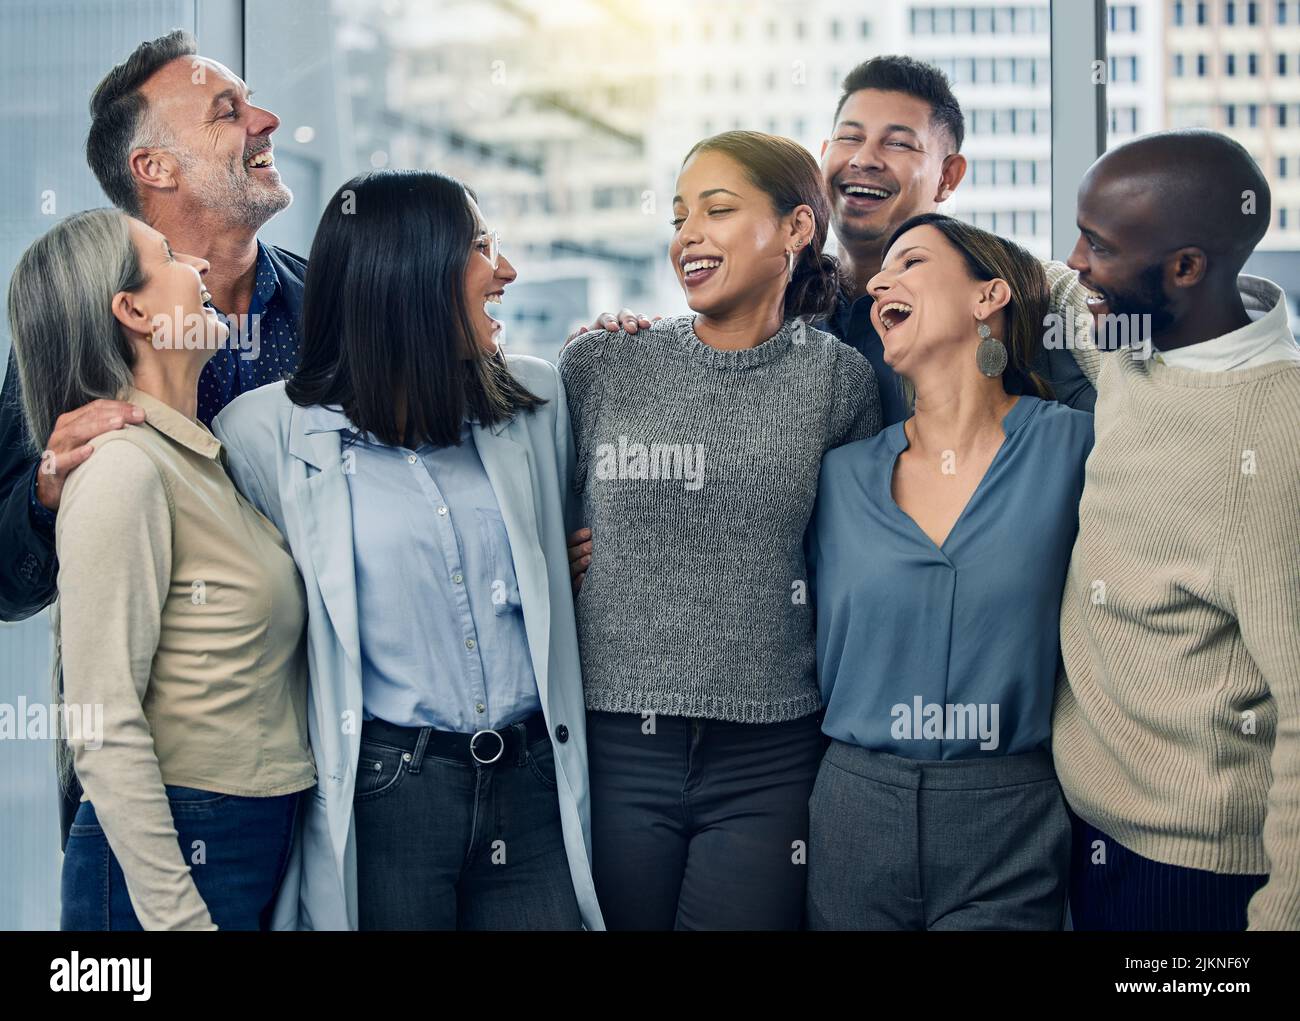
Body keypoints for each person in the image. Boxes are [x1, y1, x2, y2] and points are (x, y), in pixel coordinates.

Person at [212, 169, 603, 931]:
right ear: (409, 272)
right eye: (481, 247)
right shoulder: (260, 435)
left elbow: (568, 555)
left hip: (531, 782)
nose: (507, 270)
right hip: (391, 792)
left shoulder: (535, 402)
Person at [559, 130, 880, 930]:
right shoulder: (603, 364)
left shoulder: (839, 382)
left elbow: (853, 566)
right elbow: (535, 520)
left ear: (797, 228)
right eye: (679, 218)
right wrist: (551, 560)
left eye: (718, 210)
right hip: (614, 742)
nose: (688, 236)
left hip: (771, 753)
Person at [0, 29, 306, 847]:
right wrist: (45, 493)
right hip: (150, 789)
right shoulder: (80, 335)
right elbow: (4, 581)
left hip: (313, 766)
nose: (266, 121)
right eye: (228, 112)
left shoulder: (334, 310)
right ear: (156, 169)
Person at [7, 207, 314, 929]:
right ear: (134, 311)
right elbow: (103, 725)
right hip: (173, 859)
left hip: (242, 840)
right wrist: (178, 919)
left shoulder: (198, 458)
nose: (201, 267)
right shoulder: (122, 469)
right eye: (171, 258)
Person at [805, 213, 1093, 930]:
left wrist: (1057, 284)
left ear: (988, 296)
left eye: (911, 262)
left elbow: (1171, 383)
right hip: (852, 808)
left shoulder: (1075, 448)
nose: (879, 283)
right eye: (880, 273)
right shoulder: (838, 475)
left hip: (1009, 813)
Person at [1048, 130, 1300, 931]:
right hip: (1087, 829)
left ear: (1186, 267)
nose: (1077, 262)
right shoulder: (1140, 338)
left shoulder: (1277, 436)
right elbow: (1057, 288)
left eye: (1098, 245)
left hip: (1193, 875)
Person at [569, 56, 1094, 426]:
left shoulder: (1013, 300)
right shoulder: (778, 306)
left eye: (897, 143)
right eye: (849, 137)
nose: (864, 158)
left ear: (948, 176)